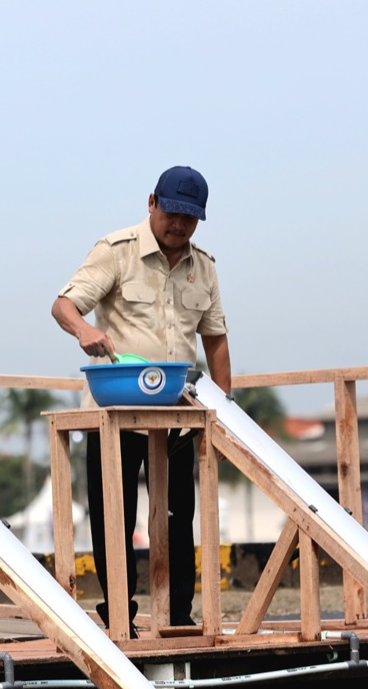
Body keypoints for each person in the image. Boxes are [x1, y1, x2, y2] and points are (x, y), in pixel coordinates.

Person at [51, 166, 232, 635]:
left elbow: (215, 340)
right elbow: (64, 305)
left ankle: (178, 616)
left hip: (174, 415)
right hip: (116, 411)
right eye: (172, 214)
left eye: (190, 220)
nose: (179, 227)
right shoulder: (117, 252)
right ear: (152, 202)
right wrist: (85, 329)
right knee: (116, 514)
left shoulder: (204, 266)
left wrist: (224, 405)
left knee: (178, 516)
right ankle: (120, 616)